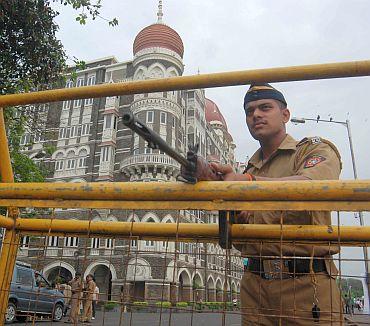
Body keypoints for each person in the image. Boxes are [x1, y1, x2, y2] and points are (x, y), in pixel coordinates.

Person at [198, 83, 342, 325]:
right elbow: (236, 241)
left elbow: (312, 184)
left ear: (285, 115)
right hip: (254, 288)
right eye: (249, 111)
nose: (256, 115)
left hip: (307, 286)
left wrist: (246, 182)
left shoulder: (313, 150)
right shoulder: (247, 170)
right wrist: (226, 200)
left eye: (265, 107)